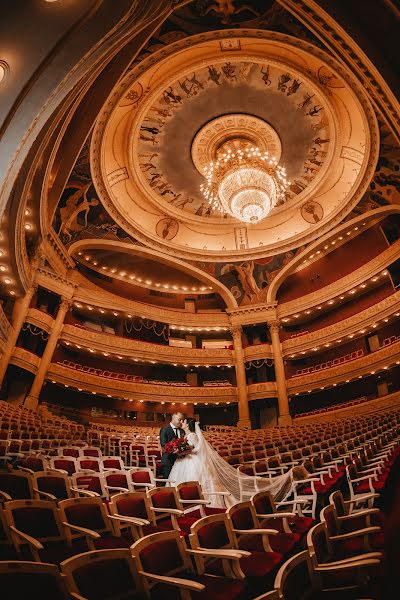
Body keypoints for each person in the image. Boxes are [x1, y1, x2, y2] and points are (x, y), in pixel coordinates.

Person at [168, 418, 293, 508]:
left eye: (184, 422)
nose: (182, 423)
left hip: (193, 461)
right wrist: (180, 451)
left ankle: (203, 506)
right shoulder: (185, 436)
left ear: (188, 425)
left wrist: (186, 451)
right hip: (185, 461)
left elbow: (196, 449)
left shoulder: (193, 435)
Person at [159, 412, 184, 479]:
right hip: (168, 461)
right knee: (168, 483)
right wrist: (176, 449)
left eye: (182, 420)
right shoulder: (165, 429)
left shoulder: (182, 431)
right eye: (180, 419)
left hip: (180, 462)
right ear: (174, 418)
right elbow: (164, 444)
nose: (181, 422)